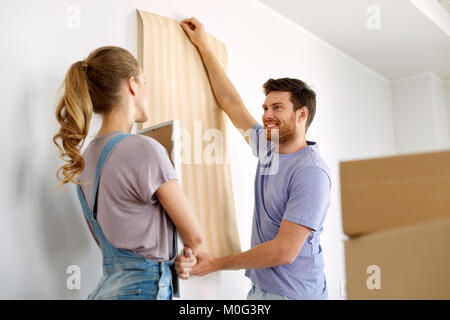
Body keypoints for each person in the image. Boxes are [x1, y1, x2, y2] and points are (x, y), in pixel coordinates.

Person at [175, 18, 331, 300]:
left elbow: (284, 251)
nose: (267, 114)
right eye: (266, 107)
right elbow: (230, 103)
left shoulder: (311, 172)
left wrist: (217, 264)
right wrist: (203, 46)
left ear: (302, 114)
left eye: (277, 107)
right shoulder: (268, 148)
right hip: (261, 291)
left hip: (295, 296)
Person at [53, 46, 202, 300]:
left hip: (106, 290)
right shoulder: (145, 149)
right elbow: (194, 234)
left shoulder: (85, 158)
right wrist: (188, 253)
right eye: (145, 82)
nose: (147, 90)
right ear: (132, 84)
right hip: (142, 291)